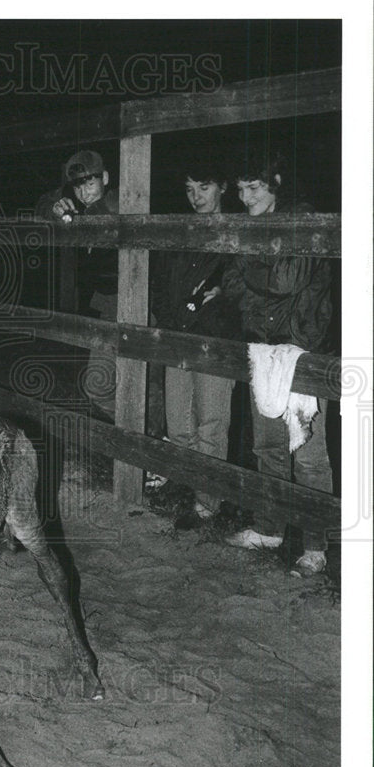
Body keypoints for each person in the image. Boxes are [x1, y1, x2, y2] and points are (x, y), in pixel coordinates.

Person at [221, 146, 334, 576]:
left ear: (276, 184)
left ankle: (315, 545)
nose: (244, 198)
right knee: (267, 444)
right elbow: (233, 283)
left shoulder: (301, 217)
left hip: (302, 346)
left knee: (306, 451)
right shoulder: (256, 224)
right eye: (240, 189)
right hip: (262, 344)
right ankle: (269, 527)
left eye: (254, 187)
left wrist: (247, 254)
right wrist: (255, 271)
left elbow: (287, 279)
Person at [151, 162, 240, 523]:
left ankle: (208, 502)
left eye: (203, 187)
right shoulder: (181, 230)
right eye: (189, 189)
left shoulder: (238, 230)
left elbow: (240, 286)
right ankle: (182, 488)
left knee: (212, 423)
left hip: (216, 339)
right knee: (179, 423)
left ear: (221, 187)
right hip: (179, 335)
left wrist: (222, 292)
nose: (196, 197)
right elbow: (162, 282)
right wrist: (168, 322)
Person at [35, 150, 120, 420]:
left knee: (106, 385)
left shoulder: (119, 198)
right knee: (105, 385)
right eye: (78, 185)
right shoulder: (82, 208)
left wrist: (72, 212)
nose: (84, 192)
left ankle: (147, 440)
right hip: (110, 305)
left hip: (140, 304)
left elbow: (112, 207)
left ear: (105, 178)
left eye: (90, 183)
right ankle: (143, 439)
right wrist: (56, 207)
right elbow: (42, 204)